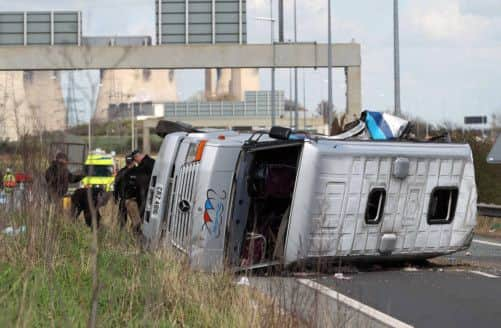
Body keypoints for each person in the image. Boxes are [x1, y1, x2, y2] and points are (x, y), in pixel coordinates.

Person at [129, 150, 155, 217]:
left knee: (144, 204)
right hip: (144, 188)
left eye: (135, 160)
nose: (135, 162)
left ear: (137, 157)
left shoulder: (148, 163)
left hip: (146, 188)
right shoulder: (146, 163)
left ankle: (140, 220)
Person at [113, 155, 136, 229]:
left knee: (133, 221)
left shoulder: (121, 172)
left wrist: (115, 196)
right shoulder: (138, 171)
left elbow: (115, 184)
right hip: (129, 199)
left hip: (131, 200)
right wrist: (115, 196)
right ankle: (124, 236)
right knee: (123, 221)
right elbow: (116, 184)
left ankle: (130, 235)